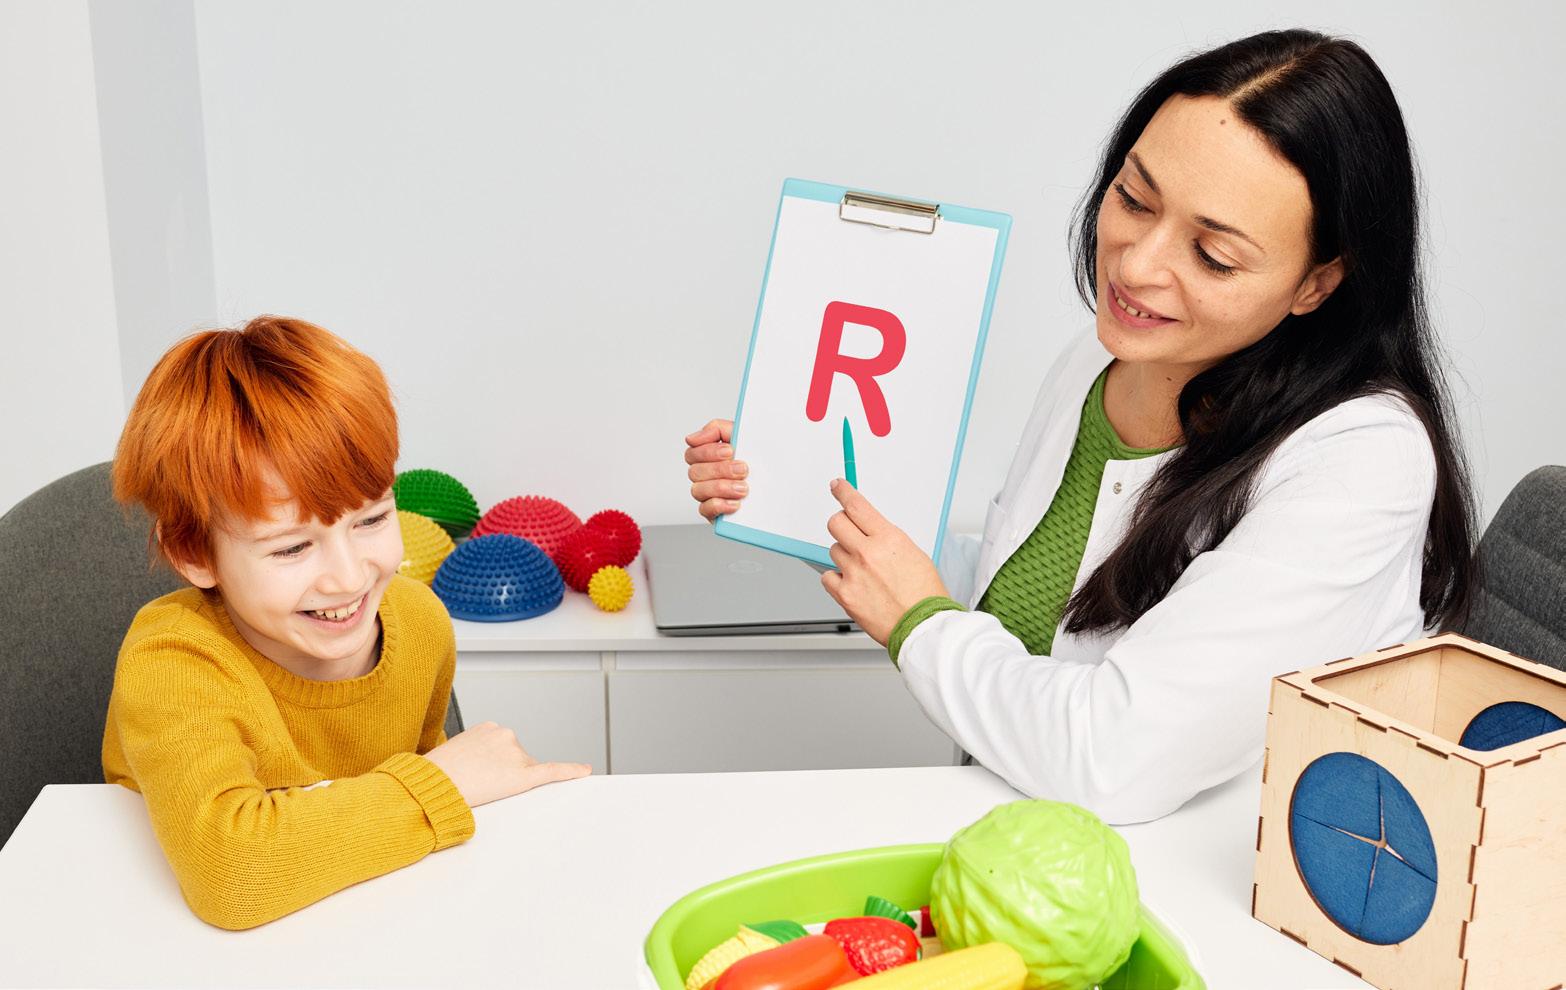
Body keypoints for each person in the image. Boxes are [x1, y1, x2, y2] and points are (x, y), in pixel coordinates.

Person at [684, 29, 1475, 824]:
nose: (1135, 266)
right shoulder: (1102, 360)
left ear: (1317, 283)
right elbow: (1015, 599)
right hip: (1023, 840)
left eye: (1212, 255)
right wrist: (803, 494)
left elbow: (1113, 758)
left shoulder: (1363, 461)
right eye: (1134, 200)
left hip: (1185, 878)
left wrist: (918, 623)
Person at [104, 316, 590, 929]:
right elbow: (232, 876)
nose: (349, 577)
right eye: (291, 547)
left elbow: (429, 834)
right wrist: (439, 782)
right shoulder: (171, 661)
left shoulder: (418, 619)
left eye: (372, 519)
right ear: (194, 553)